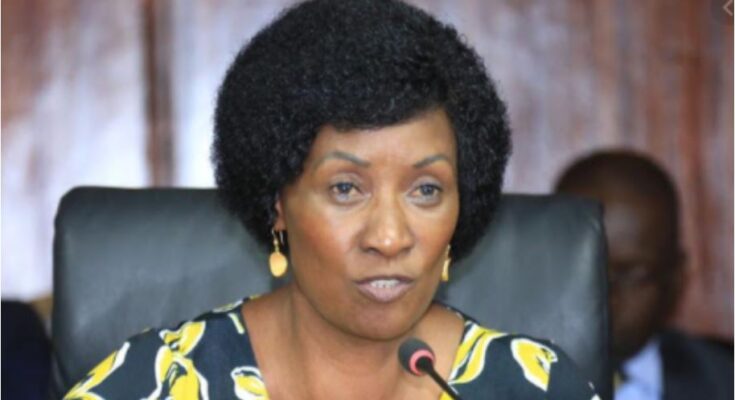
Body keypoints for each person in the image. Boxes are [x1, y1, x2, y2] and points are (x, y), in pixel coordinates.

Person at [63, 1, 599, 398]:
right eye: (346, 188)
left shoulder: (536, 387)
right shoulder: (157, 382)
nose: (389, 237)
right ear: (277, 202)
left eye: (426, 190)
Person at [555, 151, 733, 400]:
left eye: (629, 273)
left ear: (675, 279)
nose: (603, 293)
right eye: (584, 269)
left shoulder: (726, 380)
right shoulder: (504, 379)